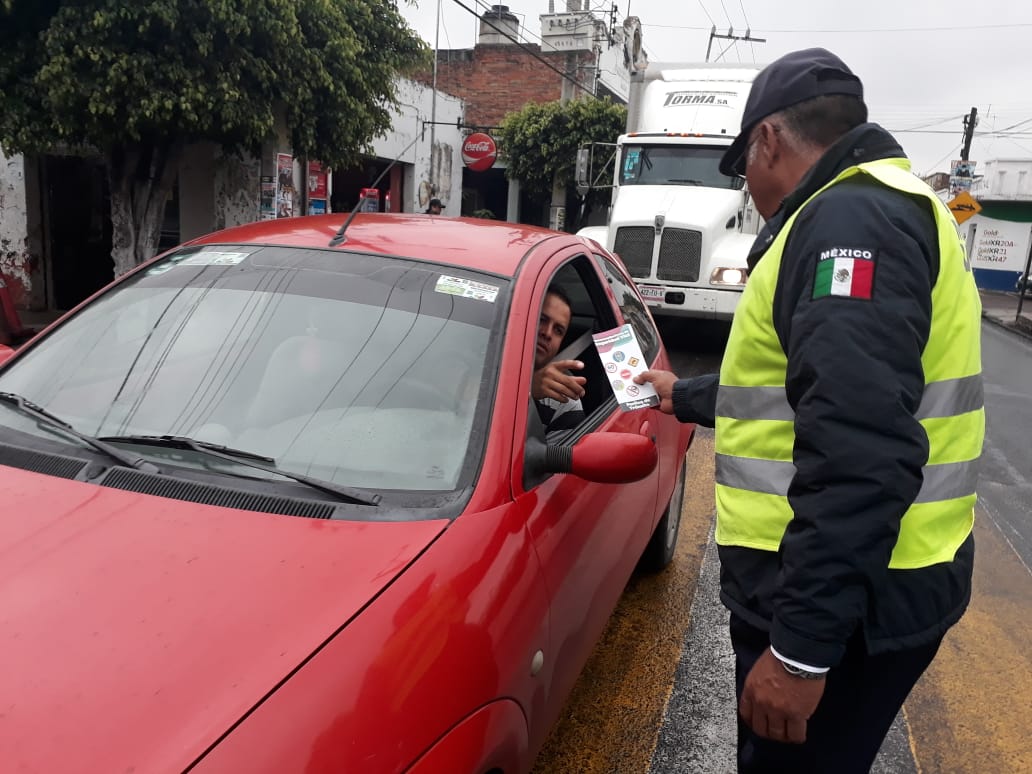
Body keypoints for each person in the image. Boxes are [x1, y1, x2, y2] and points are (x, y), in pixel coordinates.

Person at [636, 48, 984, 773]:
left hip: (849, 601)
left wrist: (798, 655)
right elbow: (811, 394)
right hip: (884, 576)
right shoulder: (892, 204)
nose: (748, 186)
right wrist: (686, 395)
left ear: (769, 139)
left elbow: (861, 449)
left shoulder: (847, 223)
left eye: (743, 164)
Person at [532, 285, 586, 437]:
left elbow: (552, 459)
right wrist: (527, 389)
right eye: (542, 319)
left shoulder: (563, 398)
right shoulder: (479, 364)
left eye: (558, 330)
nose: (547, 333)